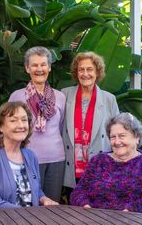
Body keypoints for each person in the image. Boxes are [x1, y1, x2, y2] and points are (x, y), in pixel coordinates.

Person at [70, 112, 142, 215]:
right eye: (113, 137)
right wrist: (87, 208)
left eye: (122, 136)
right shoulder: (98, 161)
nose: (117, 141)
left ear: (137, 137)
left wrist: (128, 212)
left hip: (135, 220)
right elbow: (78, 192)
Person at [0, 102, 58, 210]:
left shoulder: (31, 156)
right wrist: (30, 215)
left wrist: (43, 199)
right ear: (0, 127)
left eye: (24, 120)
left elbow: (35, 190)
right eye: (13, 120)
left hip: (25, 218)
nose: (21, 125)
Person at [8, 46, 66, 202]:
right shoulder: (17, 97)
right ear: (27, 68)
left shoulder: (60, 97)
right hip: (26, 158)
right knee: (27, 205)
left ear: (49, 67)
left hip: (56, 159)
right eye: (34, 65)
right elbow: (9, 129)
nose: (39, 69)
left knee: (52, 205)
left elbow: (60, 127)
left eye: (43, 64)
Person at [61, 52, 119, 196]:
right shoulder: (64, 95)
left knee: (97, 213)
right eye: (81, 69)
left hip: (99, 166)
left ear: (97, 72)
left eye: (90, 69)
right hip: (72, 166)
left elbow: (117, 133)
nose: (85, 74)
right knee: (73, 210)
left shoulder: (109, 99)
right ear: (76, 72)